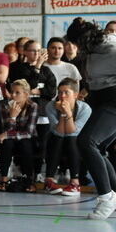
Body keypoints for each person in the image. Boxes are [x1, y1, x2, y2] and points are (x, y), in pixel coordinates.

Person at [64, 18, 116, 219]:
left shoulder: (112, 48)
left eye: (76, 43)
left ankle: (106, 197)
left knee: (86, 141)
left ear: (84, 40)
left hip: (114, 99)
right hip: (100, 98)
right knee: (99, 148)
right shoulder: (92, 50)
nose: (74, 47)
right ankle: (113, 193)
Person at [8, 39, 56, 174]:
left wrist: (37, 91)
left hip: (42, 114)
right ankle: (23, 171)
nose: (37, 53)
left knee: (42, 145)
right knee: (25, 144)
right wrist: (37, 67)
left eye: (39, 50)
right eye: (33, 50)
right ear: (25, 52)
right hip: (23, 114)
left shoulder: (46, 71)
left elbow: (52, 92)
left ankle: (39, 172)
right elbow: (30, 85)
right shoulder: (18, 69)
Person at [44, 78, 91, 197]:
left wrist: (67, 113)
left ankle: (75, 183)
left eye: (66, 92)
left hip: (76, 143)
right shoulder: (51, 105)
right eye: (59, 92)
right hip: (57, 141)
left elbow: (72, 132)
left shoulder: (85, 108)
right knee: (57, 138)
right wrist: (63, 113)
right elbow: (59, 132)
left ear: (75, 95)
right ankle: (49, 181)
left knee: (71, 139)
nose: (62, 96)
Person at [0, 79, 38, 192]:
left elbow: (28, 132)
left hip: (27, 138)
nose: (13, 95)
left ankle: (29, 180)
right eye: (12, 92)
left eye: (17, 92)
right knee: (6, 143)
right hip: (11, 138)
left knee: (25, 145)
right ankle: (3, 179)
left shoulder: (33, 106)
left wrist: (7, 134)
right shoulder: (4, 106)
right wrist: (12, 117)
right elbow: (5, 129)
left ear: (26, 94)